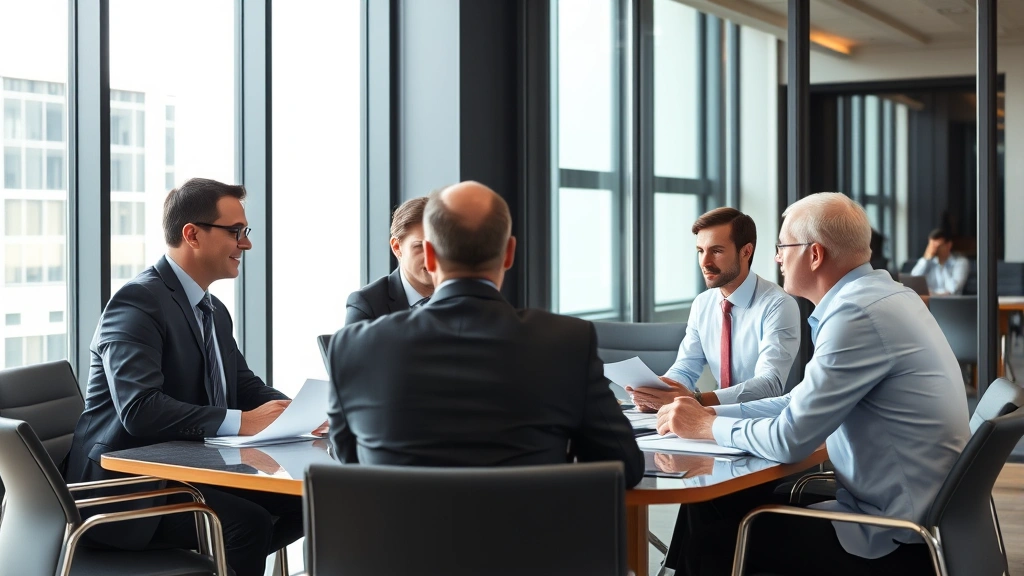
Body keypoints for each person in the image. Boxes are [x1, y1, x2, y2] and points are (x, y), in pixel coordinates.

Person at [656, 193, 970, 576]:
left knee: (715, 540)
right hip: (918, 511)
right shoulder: (886, 296)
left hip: (893, 535)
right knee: (713, 507)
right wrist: (709, 413)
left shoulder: (855, 316)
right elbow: (795, 402)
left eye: (782, 246)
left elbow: (790, 439)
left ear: (815, 255)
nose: (776, 258)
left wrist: (706, 426)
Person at [326, 181, 644, 486]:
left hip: (395, 540)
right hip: (530, 540)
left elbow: (350, 463)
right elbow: (624, 467)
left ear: (432, 256)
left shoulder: (352, 347)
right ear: (509, 253)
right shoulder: (567, 343)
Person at [65, 178, 304, 576]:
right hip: (125, 489)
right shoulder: (137, 302)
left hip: (185, 473)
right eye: (235, 232)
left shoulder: (213, 310)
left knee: (309, 503)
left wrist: (297, 414)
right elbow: (140, 410)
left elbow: (242, 384)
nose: (245, 244)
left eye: (245, 232)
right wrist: (244, 422)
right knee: (249, 525)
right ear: (191, 234)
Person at [627, 207, 800, 412]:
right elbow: (686, 368)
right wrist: (659, 394)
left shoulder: (778, 304)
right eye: (701, 251)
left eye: (716, 251)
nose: (705, 262)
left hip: (764, 421)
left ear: (746, 251)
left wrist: (695, 399)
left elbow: (769, 384)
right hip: (713, 418)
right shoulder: (703, 304)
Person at [345, 196, 432, 324]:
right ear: (397, 247)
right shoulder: (367, 304)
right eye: (420, 246)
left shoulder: (466, 295)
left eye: (441, 246)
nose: (433, 256)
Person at [910, 228, 969, 295]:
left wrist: (943, 263)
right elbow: (913, 280)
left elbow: (953, 289)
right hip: (929, 301)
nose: (935, 250)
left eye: (938, 246)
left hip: (951, 302)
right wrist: (925, 259)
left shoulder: (960, 262)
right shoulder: (928, 262)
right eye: (932, 246)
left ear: (949, 245)